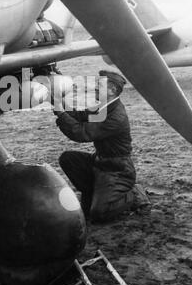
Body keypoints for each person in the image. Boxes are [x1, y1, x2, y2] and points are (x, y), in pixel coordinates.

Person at [53, 70, 150, 223]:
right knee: (68, 159)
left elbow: (83, 133)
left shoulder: (116, 116)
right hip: (100, 162)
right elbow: (80, 116)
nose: (96, 88)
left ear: (112, 91)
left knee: (99, 214)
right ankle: (93, 192)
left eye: (100, 85)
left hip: (117, 170)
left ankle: (134, 193)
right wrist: (58, 103)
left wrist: (60, 114)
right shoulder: (105, 107)